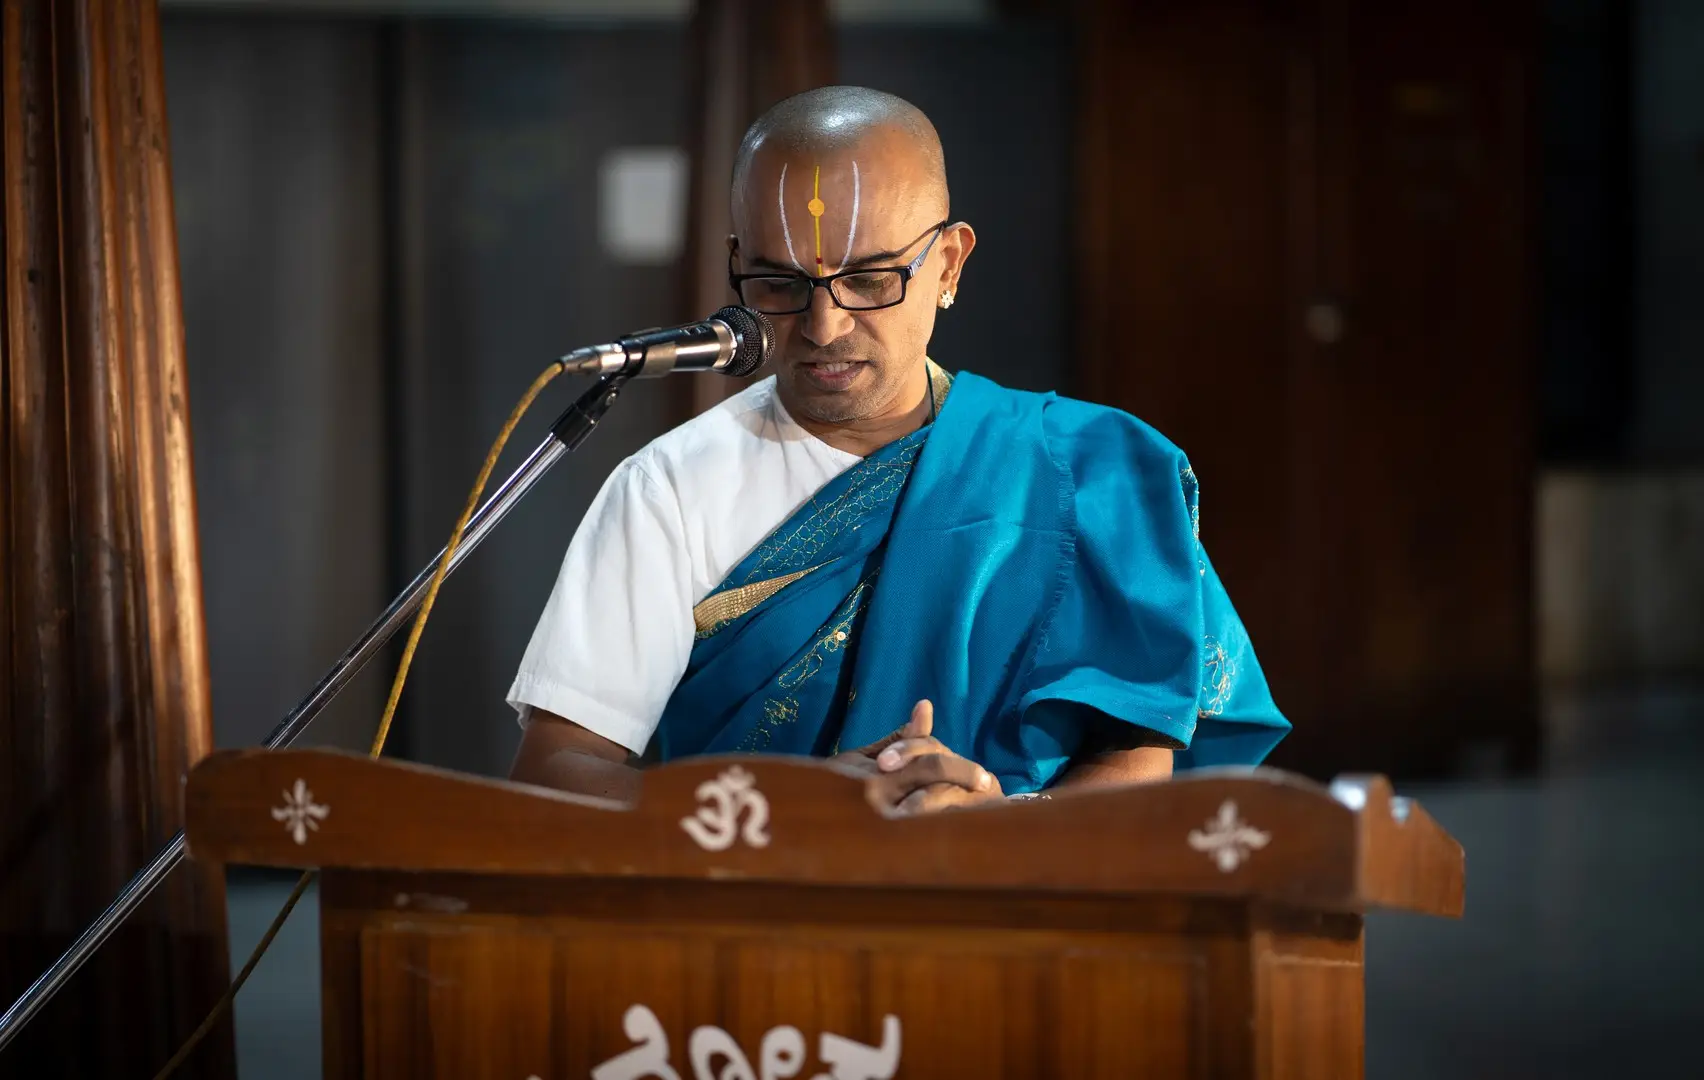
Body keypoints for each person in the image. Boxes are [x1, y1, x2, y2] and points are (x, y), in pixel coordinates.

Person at [505, 86, 1288, 814]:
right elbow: (556, 773)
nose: (823, 326)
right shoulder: (668, 487)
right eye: (778, 284)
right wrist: (798, 808)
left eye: (872, 280)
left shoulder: (1094, 470)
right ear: (736, 265)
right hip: (756, 927)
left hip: (1041, 926)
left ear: (948, 264)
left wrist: (999, 834)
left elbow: (1140, 760)